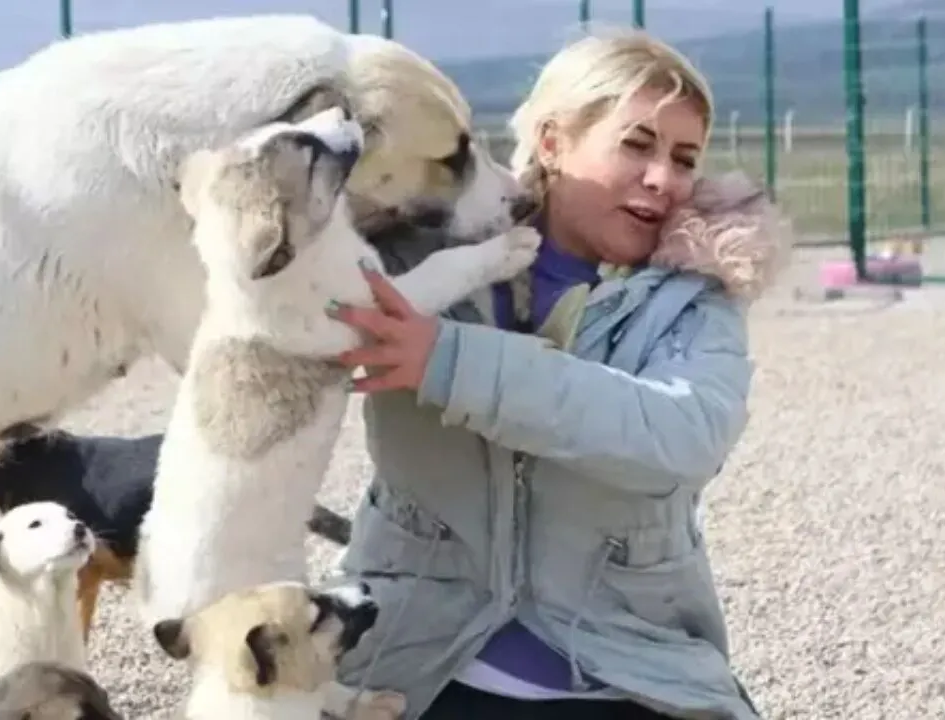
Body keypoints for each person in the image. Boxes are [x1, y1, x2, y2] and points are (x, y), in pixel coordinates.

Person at [326, 26, 790, 720]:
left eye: (684, 157)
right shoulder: (422, 260)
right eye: (637, 144)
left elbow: (681, 435)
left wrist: (447, 360)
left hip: (627, 673)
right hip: (411, 664)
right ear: (552, 142)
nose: (664, 179)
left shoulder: (696, 294)